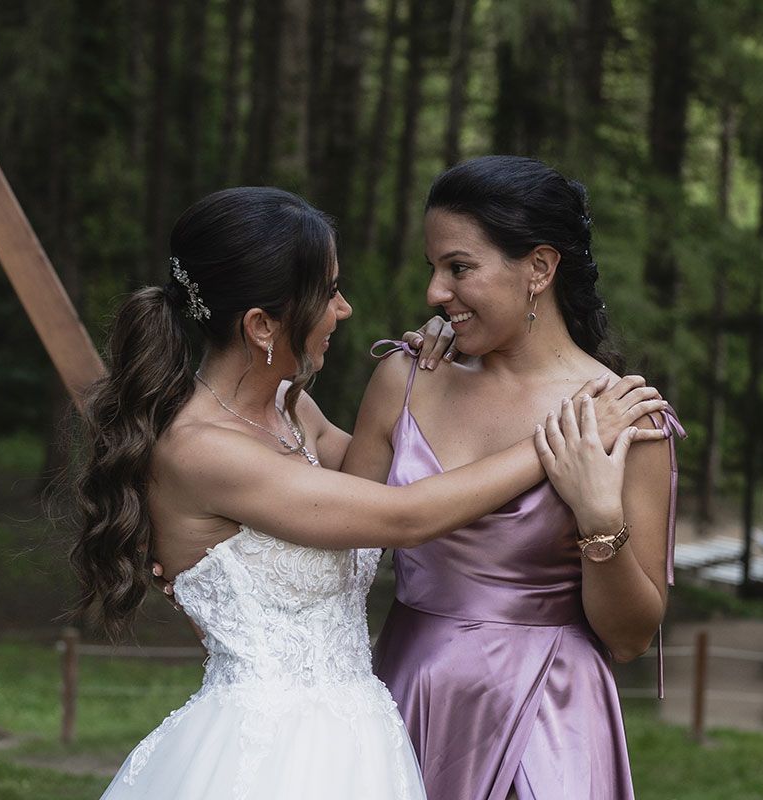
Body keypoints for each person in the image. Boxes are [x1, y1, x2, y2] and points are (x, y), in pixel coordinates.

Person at [71, 186, 669, 800]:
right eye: (328, 293)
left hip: (364, 727)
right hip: (274, 749)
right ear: (261, 325)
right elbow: (404, 514)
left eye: (457, 268)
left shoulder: (289, 411)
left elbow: (396, 467)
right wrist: (570, 435)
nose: (346, 309)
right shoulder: (204, 448)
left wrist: (427, 383)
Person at [343, 156, 683, 800]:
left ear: (540, 269)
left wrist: (598, 520)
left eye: (459, 267)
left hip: (550, 718)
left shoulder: (627, 420)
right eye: (434, 269)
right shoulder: (407, 379)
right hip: (408, 696)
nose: (435, 293)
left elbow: (632, 637)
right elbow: (337, 538)